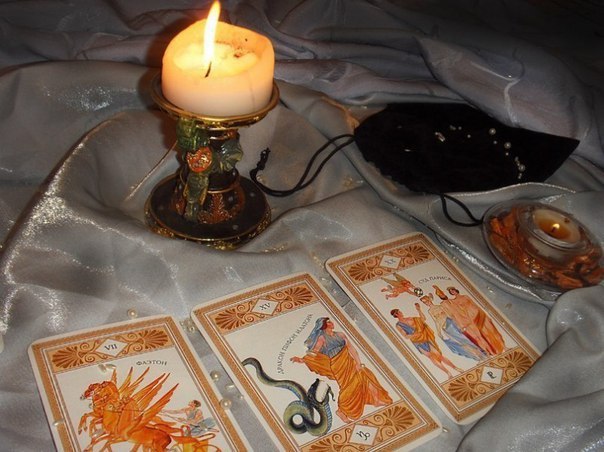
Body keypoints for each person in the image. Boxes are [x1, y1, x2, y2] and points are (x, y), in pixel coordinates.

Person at [290, 317, 392, 423]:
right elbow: (314, 352)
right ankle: (341, 411)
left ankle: (378, 399)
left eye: (331, 321)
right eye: (328, 322)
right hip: (337, 365)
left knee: (365, 375)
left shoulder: (340, 335)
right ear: (324, 325)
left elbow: (351, 348)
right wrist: (302, 360)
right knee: (348, 387)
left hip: (349, 360)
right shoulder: (322, 338)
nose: (332, 323)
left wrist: (358, 363)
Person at [391, 306, 463, 378]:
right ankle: (448, 373)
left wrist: (419, 310)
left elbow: (423, 319)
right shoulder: (399, 325)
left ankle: (455, 368)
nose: (401, 313)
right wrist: (415, 334)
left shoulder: (411, 318)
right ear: (396, 314)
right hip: (417, 341)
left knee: (438, 355)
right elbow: (406, 336)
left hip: (425, 337)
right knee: (431, 357)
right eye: (399, 312)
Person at [419, 294, 486, 361]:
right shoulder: (430, 311)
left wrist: (458, 323)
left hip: (451, 323)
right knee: (459, 342)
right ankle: (475, 355)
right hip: (445, 328)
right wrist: (439, 331)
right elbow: (436, 321)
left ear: (430, 300)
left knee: (464, 338)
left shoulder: (440, 306)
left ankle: (481, 351)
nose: (427, 303)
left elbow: (450, 315)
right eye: (425, 303)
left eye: (427, 301)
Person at [447, 287, 506, 356]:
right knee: (483, 334)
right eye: (451, 292)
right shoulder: (454, 301)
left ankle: (503, 347)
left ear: (455, 290)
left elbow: (475, 304)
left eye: (453, 290)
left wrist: (485, 314)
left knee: (492, 330)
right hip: (471, 317)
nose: (453, 292)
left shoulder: (465, 296)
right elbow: (456, 311)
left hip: (478, 313)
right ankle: (492, 351)